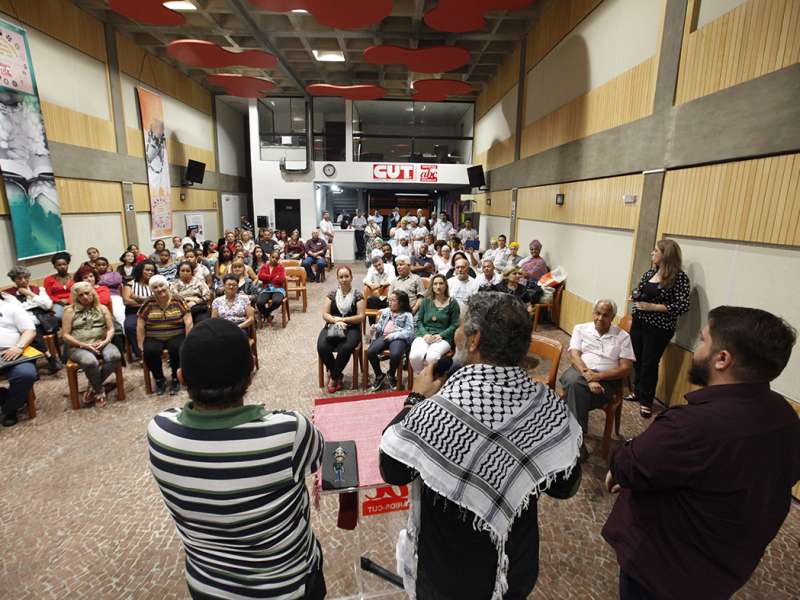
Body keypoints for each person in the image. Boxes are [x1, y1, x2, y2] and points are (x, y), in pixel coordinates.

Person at [380, 292, 582, 599]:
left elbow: (392, 469)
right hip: (514, 566)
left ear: (473, 340)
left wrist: (416, 398)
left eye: (460, 326)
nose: (457, 333)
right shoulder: (547, 406)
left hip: (449, 575)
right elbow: (565, 486)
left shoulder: (438, 411)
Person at [603, 306, 800, 600]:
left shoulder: (691, 426)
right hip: (724, 569)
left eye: (703, 340)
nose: (696, 348)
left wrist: (629, 454)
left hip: (663, 570)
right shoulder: (785, 416)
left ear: (722, 359)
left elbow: (627, 466)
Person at [148, 317, 326, 600]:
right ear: (250, 374)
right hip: (286, 586)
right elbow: (318, 457)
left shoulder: (160, 431)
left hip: (208, 586)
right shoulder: (288, 431)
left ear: (181, 378)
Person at [561, 299, 635, 461]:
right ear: (593, 313)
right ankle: (577, 443)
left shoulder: (623, 337)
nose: (600, 318)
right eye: (598, 313)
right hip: (579, 371)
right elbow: (574, 356)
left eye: (606, 315)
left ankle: (571, 440)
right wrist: (589, 377)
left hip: (606, 381)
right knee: (575, 382)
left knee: (573, 389)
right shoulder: (580, 329)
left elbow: (626, 368)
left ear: (613, 317)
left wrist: (598, 377)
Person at [629, 238, 691, 418]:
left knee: (649, 363)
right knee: (637, 359)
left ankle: (646, 400)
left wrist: (653, 307)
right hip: (640, 321)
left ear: (666, 255)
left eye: (656, 251)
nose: (652, 253)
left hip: (659, 328)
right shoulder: (650, 272)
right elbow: (640, 289)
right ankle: (638, 391)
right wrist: (635, 296)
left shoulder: (679, 278)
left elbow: (682, 306)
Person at [61, 282, 121, 407]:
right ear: (76, 297)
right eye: (81, 295)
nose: (85, 297)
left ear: (93, 293)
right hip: (78, 346)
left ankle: (93, 385)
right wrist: (83, 345)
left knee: (114, 356)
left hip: (101, 342)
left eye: (87, 293)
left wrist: (106, 340)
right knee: (90, 362)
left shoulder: (102, 308)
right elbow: (65, 335)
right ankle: (99, 391)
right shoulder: (69, 311)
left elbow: (111, 329)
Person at [137, 274, 192, 396]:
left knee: (177, 348)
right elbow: (140, 324)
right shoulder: (149, 302)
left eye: (161, 285)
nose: (159, 289)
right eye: (155, 287)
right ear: (152, 290)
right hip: (154, 336)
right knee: (149, 351)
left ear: (167, 285)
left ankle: (175, 378)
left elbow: (188, 321)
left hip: (176, 333)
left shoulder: (178, 299)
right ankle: (159, 379)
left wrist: (188, 340)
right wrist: (141, 345)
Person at [4, 266, 61, 373]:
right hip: (26, 323)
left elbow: (48, 305)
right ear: (14, 280)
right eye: (19, 278)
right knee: (29, 328)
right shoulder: (8, 294)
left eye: (25, 277)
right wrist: (35, 304)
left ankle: (40, 362)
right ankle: (49, 356)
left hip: (44, 322)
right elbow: (16, 309)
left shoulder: (38, 289)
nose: (23, 280)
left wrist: (29, 294)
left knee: (29, 330)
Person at [317, 266, 365, 393]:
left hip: (352, 328)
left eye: (346, 276)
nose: (344, 279)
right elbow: (325, 314)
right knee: (322, 346)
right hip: (333, 325)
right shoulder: (332, 294)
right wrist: (336, 320)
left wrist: (344, 320)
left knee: (345, 347)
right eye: (341, 277)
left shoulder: (358, 295)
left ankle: (333, 377)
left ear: (351, 277)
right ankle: (338, 374)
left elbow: (360, 317)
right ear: (337, 279)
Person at [409, 274, 459, 374]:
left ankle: (428, 380)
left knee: (432, 357)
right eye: (435, 284)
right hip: (424, 335)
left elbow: (455, 324)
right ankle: (422, 377)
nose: (438, 286)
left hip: (443, 337)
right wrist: (425, 334)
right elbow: (419, 321)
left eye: (441, 283)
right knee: (415, 356)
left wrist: (441, 335)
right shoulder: (425, 301)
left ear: (446, 286)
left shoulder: (453, 303)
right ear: (432, 286)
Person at [0, 294, 37, 427]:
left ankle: (10, 409)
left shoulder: (11, 308)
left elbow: (30, 330)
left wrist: (19, 347)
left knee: (25, 374)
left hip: (13, 351)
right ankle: (6, 396)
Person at [367, 290, 415, 391]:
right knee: (371, 352)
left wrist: (393, 336)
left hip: (398, 338)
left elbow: (409, 333)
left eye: (393, 300)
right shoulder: (386, 311)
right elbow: (381, 326)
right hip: (384, 337)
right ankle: (379, 375)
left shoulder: (407, 315)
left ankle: (391, 374)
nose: (390, 302)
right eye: (389, 300)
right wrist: (375, 327)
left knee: (396, 354)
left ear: (401, 302)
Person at [122, 260, 156, 360]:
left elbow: (160, 299)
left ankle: (156, 351)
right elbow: (127, 301)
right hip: (134, 312)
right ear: (141, 270)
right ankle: (141, 353)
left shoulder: (155, 284)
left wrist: (137, 298)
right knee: (129, 326)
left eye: (152, 271)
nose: (150, 272)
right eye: (147, 270)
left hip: (154, 311)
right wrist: (147, 301)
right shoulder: (130, 284)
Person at [256, 251, 286, 325]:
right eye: (272, 257)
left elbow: (281, 279)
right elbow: (260, 277)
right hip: (266, 289)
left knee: (277, 301)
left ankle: (266, 313)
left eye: (276, 258)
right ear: (269, 257)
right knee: (259, 302)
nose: (274, 259)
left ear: (278, 259)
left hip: (278, 289)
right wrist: (273, 277)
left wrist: (267, 278)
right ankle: (268, 316)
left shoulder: (281, 267)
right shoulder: (264, 266)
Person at [94, 257, 125, 325]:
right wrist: (109, 282)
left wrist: (99, 282)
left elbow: (117, 281)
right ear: (95, 266)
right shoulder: (93, 276)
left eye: (103, 265)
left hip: (114, 296)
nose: (101, 267)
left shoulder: (114, 274)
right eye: (98, 265)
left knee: (119, 316)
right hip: (99, 298)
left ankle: (123, 332)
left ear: (107, 265)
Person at [43, 251, 73, 321]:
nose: (62, 267)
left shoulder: (74, 277)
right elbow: (48, 295)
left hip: (74, 301)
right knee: (58, 316)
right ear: (54, 266)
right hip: (58, 303)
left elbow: (78, 292)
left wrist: (69, 300)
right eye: (59, 265)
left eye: (64, 264)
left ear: (68, 264)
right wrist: (59, 301)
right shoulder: (48, 279)